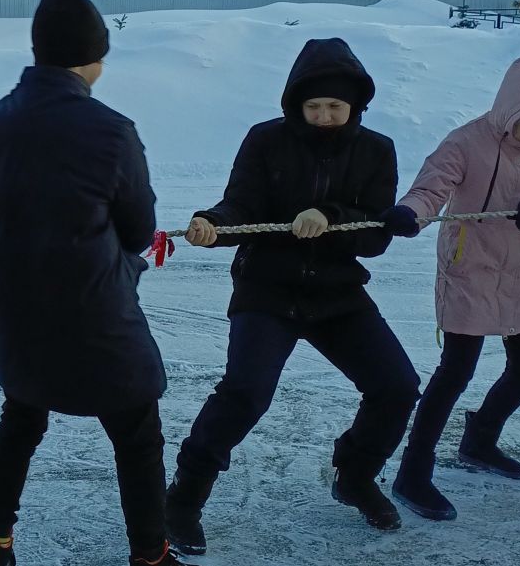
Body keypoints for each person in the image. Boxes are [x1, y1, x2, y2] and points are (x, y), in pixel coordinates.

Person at [0, 0, 207, 566]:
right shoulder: (112, 132)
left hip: (19, 323)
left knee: (20, 418)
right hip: (100, 322)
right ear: (93, 59)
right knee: (137, 433)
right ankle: (150, 564)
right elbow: (140, 230)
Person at [165, 37, 420, 536]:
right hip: (268, 290)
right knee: (245, 392)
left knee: (396, 387)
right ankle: (184, 496)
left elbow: (374, 236)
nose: (324, 116)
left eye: (335, 107)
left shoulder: (376, 150)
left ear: (355, 106)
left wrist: (329, 216)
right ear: (295, 104)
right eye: (314, 106)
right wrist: (212, 223)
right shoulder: (265, 140)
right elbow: (242, 204)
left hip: (337, 293)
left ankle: (356, 474)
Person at [379, 56, 520, 520]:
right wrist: (411, 214)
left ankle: (480, 439)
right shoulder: (466, 142)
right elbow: (431, 189)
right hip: (470, 269)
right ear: (512, 109)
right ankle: (414, 471)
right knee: (455, 373)